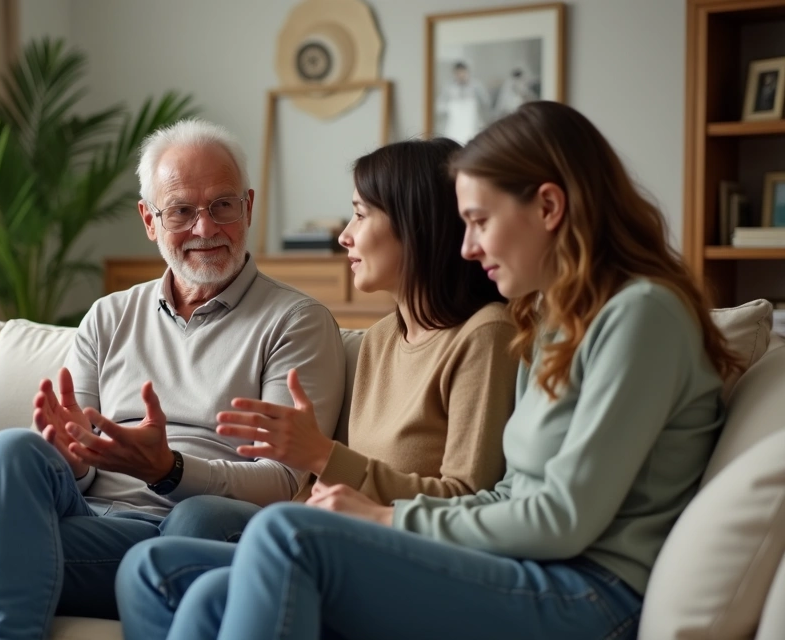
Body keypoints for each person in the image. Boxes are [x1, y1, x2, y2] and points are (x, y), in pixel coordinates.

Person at [131, 101, 741, 640]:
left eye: (478, 221)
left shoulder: (642, 317)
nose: (468, 247)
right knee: (206, 590)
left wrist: (382, 517)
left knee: (286, 536)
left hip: (588, 594)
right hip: (524, 570)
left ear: (549, 207)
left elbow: (559, 521)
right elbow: (507, 494)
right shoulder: (552, 321)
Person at [0, 119, 346, 640]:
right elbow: (80, 464)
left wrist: (170, 468)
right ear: (149, 219)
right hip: (89, 517)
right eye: (182, 211)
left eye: (222, 205)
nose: (205, 229)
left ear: (248, 207)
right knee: (9, 452)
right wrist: (73, 458)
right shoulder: (109, 315)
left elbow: (282, 480)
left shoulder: (296, 321)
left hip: (189, 528)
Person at [116, 137, 521, 638]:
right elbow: (328, 484)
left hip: (412, 558)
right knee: (148, 567)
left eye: (359, 215)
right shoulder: (379, 340)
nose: (345, 237)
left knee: (188, 573)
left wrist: (322, 456)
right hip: (333, 538)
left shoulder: (485, 335)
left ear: (416, 226)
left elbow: (469, 498)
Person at [436, 61, 491, 143]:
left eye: (463, 72)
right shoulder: (449, 87)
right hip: (454, 126)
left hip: (471, 124)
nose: (461, 75)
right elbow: (440, 106)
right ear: (454, 73)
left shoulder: (476, 86)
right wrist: (451, 106)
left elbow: (485, 102)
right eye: (458, 73)